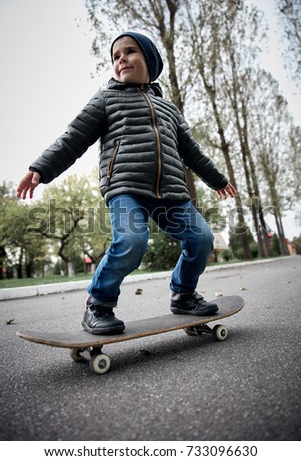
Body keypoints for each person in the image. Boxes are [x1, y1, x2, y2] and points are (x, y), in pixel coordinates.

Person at [17, 32, 237, 335]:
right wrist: (41, 168)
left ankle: (184, 296)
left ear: (150, 60)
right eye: (116, 56)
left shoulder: (169, 109)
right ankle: (99, 305)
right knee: (132, 242)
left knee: (201, 239)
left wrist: (217, 179)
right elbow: (74, 137)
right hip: (125, 187)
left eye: (130, 52)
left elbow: (191, 151)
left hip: (171, 191)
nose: (121, 59)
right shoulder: (106, 98)